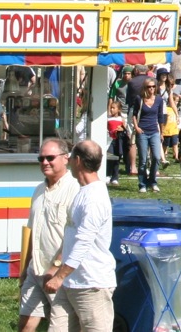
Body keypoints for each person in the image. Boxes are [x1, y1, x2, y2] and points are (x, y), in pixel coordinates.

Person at [43, 141, 116, 332]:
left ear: (77, 160)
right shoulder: (82, 192)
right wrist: (56, 268)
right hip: (69, 283)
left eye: (70, 158)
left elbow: (83, 243)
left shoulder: (95, 198)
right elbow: (71, 236)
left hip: (92, 285)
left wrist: (59, 278)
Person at [19, 138, 78, 332]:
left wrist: (56, 268)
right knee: (26, 324)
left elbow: (73, 235)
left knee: (60, 327)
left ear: (65, 159)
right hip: (34, 271)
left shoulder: (74, 190)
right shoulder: (38, 191)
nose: (45, 162)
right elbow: (32, 232)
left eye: (50, 158)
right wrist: (25, 268)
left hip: (59, 275)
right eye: (41, 158)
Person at [130, 77, 165, 193]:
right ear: (145, 88)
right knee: (143, 160)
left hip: (154, 131)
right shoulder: (139, 99)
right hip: (142, 131)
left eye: (153, 86)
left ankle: (153, 181)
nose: (151, 89)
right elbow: (134, 114)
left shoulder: (159, 100)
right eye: (149, 87)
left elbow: (160, 117)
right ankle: (142, 183)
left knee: (156, 157)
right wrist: (136, 127)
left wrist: (162, 132)